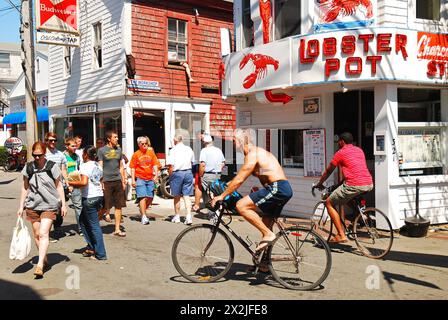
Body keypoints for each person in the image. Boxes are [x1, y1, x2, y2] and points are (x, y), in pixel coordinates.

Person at [211, 128, 293, 252]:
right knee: (266, 223)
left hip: (278, 188)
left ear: (239, 141)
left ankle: (269, 235)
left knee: (241, 205)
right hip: (280, 188)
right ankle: (264, 265)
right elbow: (253, 176)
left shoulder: (252, 154)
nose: (233, 144)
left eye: (234, 141)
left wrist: (222, 195)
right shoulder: (255, 153)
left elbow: (240, 179)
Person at [17, 142, 67, 278]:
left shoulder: (52, 166)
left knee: (44, 233)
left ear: (44, 153)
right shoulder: (28, 167)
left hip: (49, 205)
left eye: (39, 155)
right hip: (32, 205)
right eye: (35, 155)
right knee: (37, 234)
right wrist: (21, 206)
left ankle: (39, 265)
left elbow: (59, 186)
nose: (37, 158)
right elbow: (24, 188)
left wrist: (63, 204)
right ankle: (44, 258)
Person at [314, 132, 373, 243]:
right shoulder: (359, 150)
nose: (338, 143)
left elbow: (328, 171)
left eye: (338, 142)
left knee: (329, 203)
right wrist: (338, 185)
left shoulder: (340, 153)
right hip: (368, 183)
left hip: (354, 184)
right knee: (347, 198)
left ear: (341, 141)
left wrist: (320, 183)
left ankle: (341, 234)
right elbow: (355, 171)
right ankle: (361, 216)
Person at [68, 146, 107, 260]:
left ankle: (100, 253)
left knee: (94, 226)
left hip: (89, 198)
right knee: (83, 221)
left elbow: (84, 182)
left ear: (85, 154)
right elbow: (100, 180)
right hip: (98, 196)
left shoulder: (85, 166)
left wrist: (72, 183)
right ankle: (91, 246)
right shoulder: (97, 166)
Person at [97, 130, 127, 237]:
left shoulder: (119, 150)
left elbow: (121, 166)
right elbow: (100, 167)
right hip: (107, 181)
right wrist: (101, 181)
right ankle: (94, 224)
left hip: (117, 180)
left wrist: (123, 180)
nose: (117, 139)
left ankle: (117, 229)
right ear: (109, 139)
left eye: (117, 137)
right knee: (105, 206)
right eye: (115, 137)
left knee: (119, 206)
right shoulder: (101, 150)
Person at [129, 136, 160, 225]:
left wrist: (156, 175)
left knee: (150, 198)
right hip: (140, 178)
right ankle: (143, 216)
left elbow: (155, 164)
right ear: (139, 144)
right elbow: (133, 168)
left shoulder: (151, 153)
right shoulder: (136, 154)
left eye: (146, 143)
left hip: (150, 178)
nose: (145, 145)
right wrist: (133, 180)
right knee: (142, 197)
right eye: (142, 144)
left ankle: (142, 210)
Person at [166, 131, 195, 225]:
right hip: (188, 172)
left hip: (177, 172)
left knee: (177, 195)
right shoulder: (189, 149)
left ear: (175, 139)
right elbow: (192, 162)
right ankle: (189, 216)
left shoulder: (173, 150)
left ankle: (177, 216)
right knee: (187, 195)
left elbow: (170, 166)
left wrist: (170, 176)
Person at [44, 132, 68, 241]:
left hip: (58, 186)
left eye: (54, 140)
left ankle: (57, 227)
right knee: (48, 210)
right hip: (46, 187)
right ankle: (46, 234)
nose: (53, 142)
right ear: (46, 141)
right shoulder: (43, 154)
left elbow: (63, 170)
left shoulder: (60, 154)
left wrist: (67, 182)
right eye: (50, 140)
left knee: (59, 209)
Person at [199, 134, 225, 222]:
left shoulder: (204, 151)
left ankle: (212, 214)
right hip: (217, 174)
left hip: (208, 174)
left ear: (204, 142)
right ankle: (217, 213)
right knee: (216, 193)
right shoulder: (218, 150)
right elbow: (223, 163)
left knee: (208, 195)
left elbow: (202, 165)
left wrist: (201, 175)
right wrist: (218, 170)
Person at [64, 137, 83, 235]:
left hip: (75, 183)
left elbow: (79, 168)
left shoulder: (77, 157)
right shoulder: (62, 156)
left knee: (78, 206)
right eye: (72, 146)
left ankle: (81, 229)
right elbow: (61, 171)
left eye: (75, 146)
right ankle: (57, 225)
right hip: (63, 184)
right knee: (58, 206)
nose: (75, 147)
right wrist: (67, 184)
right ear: (66, 146)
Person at [192, 130, 205, 212]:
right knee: (198, 186)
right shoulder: (197, 144)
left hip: (201, 168)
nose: (198, 136)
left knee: (198, 187)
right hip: (200, 168)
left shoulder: (201, 145)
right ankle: (197, 205)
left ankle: (197, 205)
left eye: (199, 135)